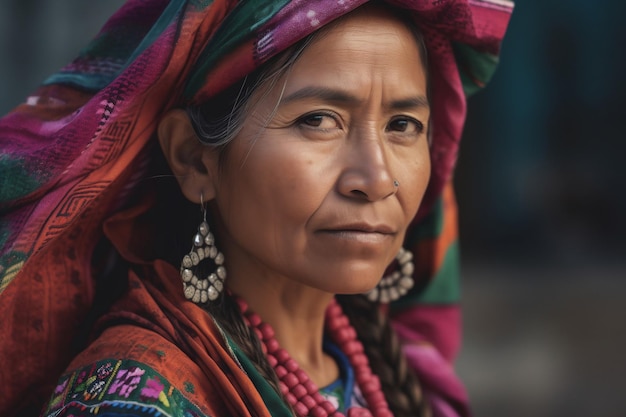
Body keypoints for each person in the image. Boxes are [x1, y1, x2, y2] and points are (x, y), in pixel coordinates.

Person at [0, 0, 513, 416]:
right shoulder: (132, 399)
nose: (377, 179)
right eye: (318, 119)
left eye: (403, 125)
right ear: (194, 159)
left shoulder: (393, 375)